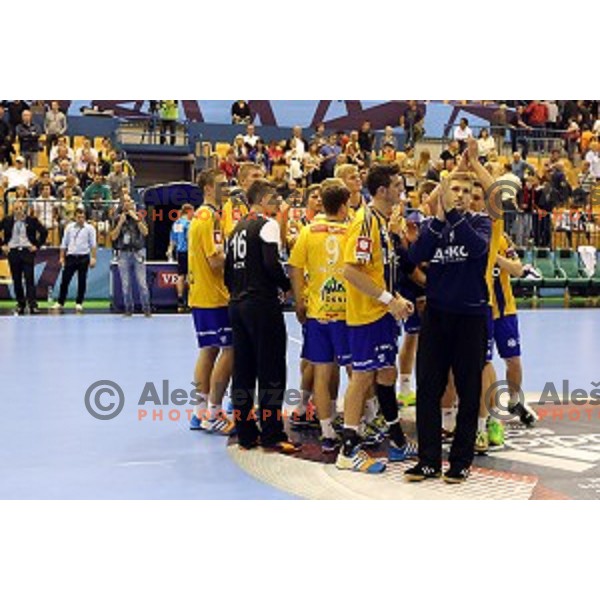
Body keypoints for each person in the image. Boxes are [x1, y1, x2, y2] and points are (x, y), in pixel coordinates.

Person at [406, 141, 492, 484]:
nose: (458, 194)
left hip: (471, 318)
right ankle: (428, 461)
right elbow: (415, 257)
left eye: (464, 191)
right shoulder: (432, 227)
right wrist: (440, 221)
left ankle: (460, 462)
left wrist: (453, 216)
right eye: (452, 188)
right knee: (428, 388)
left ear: (473, 196)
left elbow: (476, 249)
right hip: (437, 318)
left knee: (469, 392)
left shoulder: (481, 223)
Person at [336, 163, 416, 473]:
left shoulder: (382, 222)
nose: (401, 190)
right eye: (397, 185)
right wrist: (386, 300)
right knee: (362, 378)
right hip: (367, 315)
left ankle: (396, 440)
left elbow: (377, 271)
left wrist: (395, 299)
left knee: (387, 373)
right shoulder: (365, 222)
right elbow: (350, 270)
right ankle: (348, 449)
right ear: (381, 190)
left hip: (382, 313)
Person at [224, 179, 300, 454]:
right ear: (264, 198)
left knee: (242, 370)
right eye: (276, 198)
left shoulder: (236, 230)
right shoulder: (266, 224)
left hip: (237, 304)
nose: (279, 203)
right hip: (262, 305)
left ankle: (245, 433)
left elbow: (227, 273)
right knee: (271, 370)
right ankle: (271, 434)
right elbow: (270, 262)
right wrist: (287, 286)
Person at [288, 179, 351, 452]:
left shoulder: (308, 231)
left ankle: (327, 432)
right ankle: (355, 425)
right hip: (348, 314)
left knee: (322, 373)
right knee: (357, 373)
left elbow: (294, 268)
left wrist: (300, 301)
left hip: (317, 313)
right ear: (345, 204)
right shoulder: (351, 230)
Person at [187, 169, 235, 435]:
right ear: (207, 188)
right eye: (221, 185)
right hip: (215, 296)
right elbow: (216, 260)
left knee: (208, 351)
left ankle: (199, 413)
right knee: (230, 350)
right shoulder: (211, 217)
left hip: (202, 294)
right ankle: (213, 413)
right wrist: (241, 260)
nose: (226, 189)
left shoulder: (200, 215)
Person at [0, 199, 48, 315]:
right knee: (16, 280)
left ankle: (33, 305)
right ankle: (20, 304)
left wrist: (36, 245)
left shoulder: (31, 220)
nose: (18, 211)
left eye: (20, 208)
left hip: (27, 252)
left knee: (29, 279)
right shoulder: (7, 220)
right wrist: (2, 245)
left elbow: (44, 232)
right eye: (16, 209)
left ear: (24, 209)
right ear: (12, 209)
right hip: (13, 252)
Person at [110, 194, 152, 316]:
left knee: (142, 282)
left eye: (129, 201)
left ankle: (146, 308)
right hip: (123, 253)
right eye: (125, 201)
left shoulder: (139, 215)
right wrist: (120, 223)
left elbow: (145, 232)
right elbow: (113, 236)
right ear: (122, 204)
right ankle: (128, 309)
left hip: (138, 251)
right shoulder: (117, 218)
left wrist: (136, 219)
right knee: (125, 284)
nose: (128, 203)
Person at [51, 208, 97, 313]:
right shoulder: (69, 227)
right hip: (71, 257)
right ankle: (60, 302)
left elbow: (93, 244)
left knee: (82, 281)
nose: (80, 219)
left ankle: (79, 303)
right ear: (75, 217)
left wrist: (93, 258)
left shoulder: (90, 229)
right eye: (78, 217)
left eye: (82, 217)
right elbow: (64, 243)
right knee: (65, 281)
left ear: (85, 217)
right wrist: (62, 257)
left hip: (83, 257)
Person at [167, 203, 194, 312]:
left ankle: (180, 300)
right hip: (189, 252)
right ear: (188, 211)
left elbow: (173, 240)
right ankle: (190, 301)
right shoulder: (189, 224)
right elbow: (189, 238)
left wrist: (169, 250)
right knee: (190, 276)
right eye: (193, 211)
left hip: (179, 252)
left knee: (180, 275)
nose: (194, 214)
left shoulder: (176, 223)